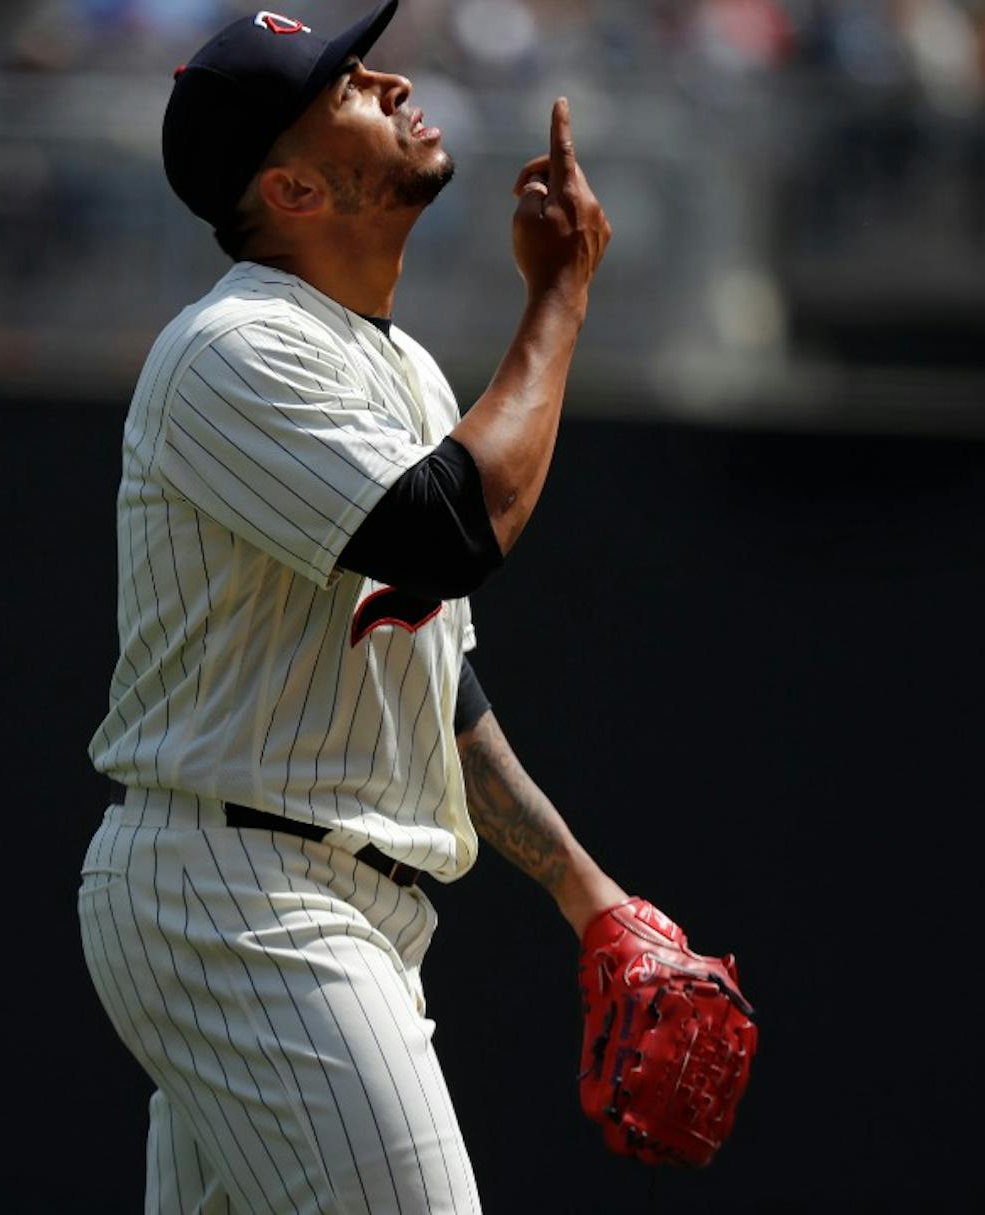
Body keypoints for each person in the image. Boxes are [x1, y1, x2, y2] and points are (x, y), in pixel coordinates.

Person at [73, 4, 717, 1208]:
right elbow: (450, 529)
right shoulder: (236, 346)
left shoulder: (404, 369)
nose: (393, 78)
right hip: (243, 900)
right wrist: (562, 297)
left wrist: (592, 896)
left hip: (311, 897)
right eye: (349, 85)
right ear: (295, 188)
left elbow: (436, 679)